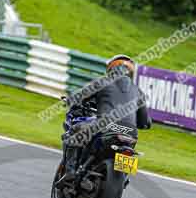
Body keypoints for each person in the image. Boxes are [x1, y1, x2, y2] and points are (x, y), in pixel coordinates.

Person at [59, 54, 151, 184]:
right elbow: (144, 122)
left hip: (104, 125)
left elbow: (79, 97)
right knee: (128, 152)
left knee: (74, 131)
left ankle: (70, 172)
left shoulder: (103, 82)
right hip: (131, 134)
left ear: (111, 68)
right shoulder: (139, 91)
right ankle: (123, 179)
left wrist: (69, 100)